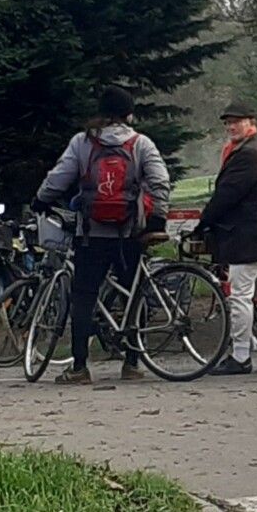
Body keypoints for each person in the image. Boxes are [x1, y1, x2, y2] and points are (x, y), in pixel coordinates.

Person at [32, 85, 171, 385]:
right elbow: (160, 182)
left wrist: (41, 200)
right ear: (129, 114)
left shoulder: (83, 143)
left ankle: (80, 368)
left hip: (91, 234)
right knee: (135, 295)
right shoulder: (141, 143)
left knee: (83, 297)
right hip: (130, 233)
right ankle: (132, 363)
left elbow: (59, 178)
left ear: (101, 113)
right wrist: (157, 220)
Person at [195, 101, 257, 376]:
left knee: (241, 296)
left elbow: (227, 194)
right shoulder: (251, 149)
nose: (231, 126)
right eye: (228, 122)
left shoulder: (249, 154)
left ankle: (241, 355)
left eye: (237, 121)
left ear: (251, 121)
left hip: (248, 236)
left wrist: (204, 221)